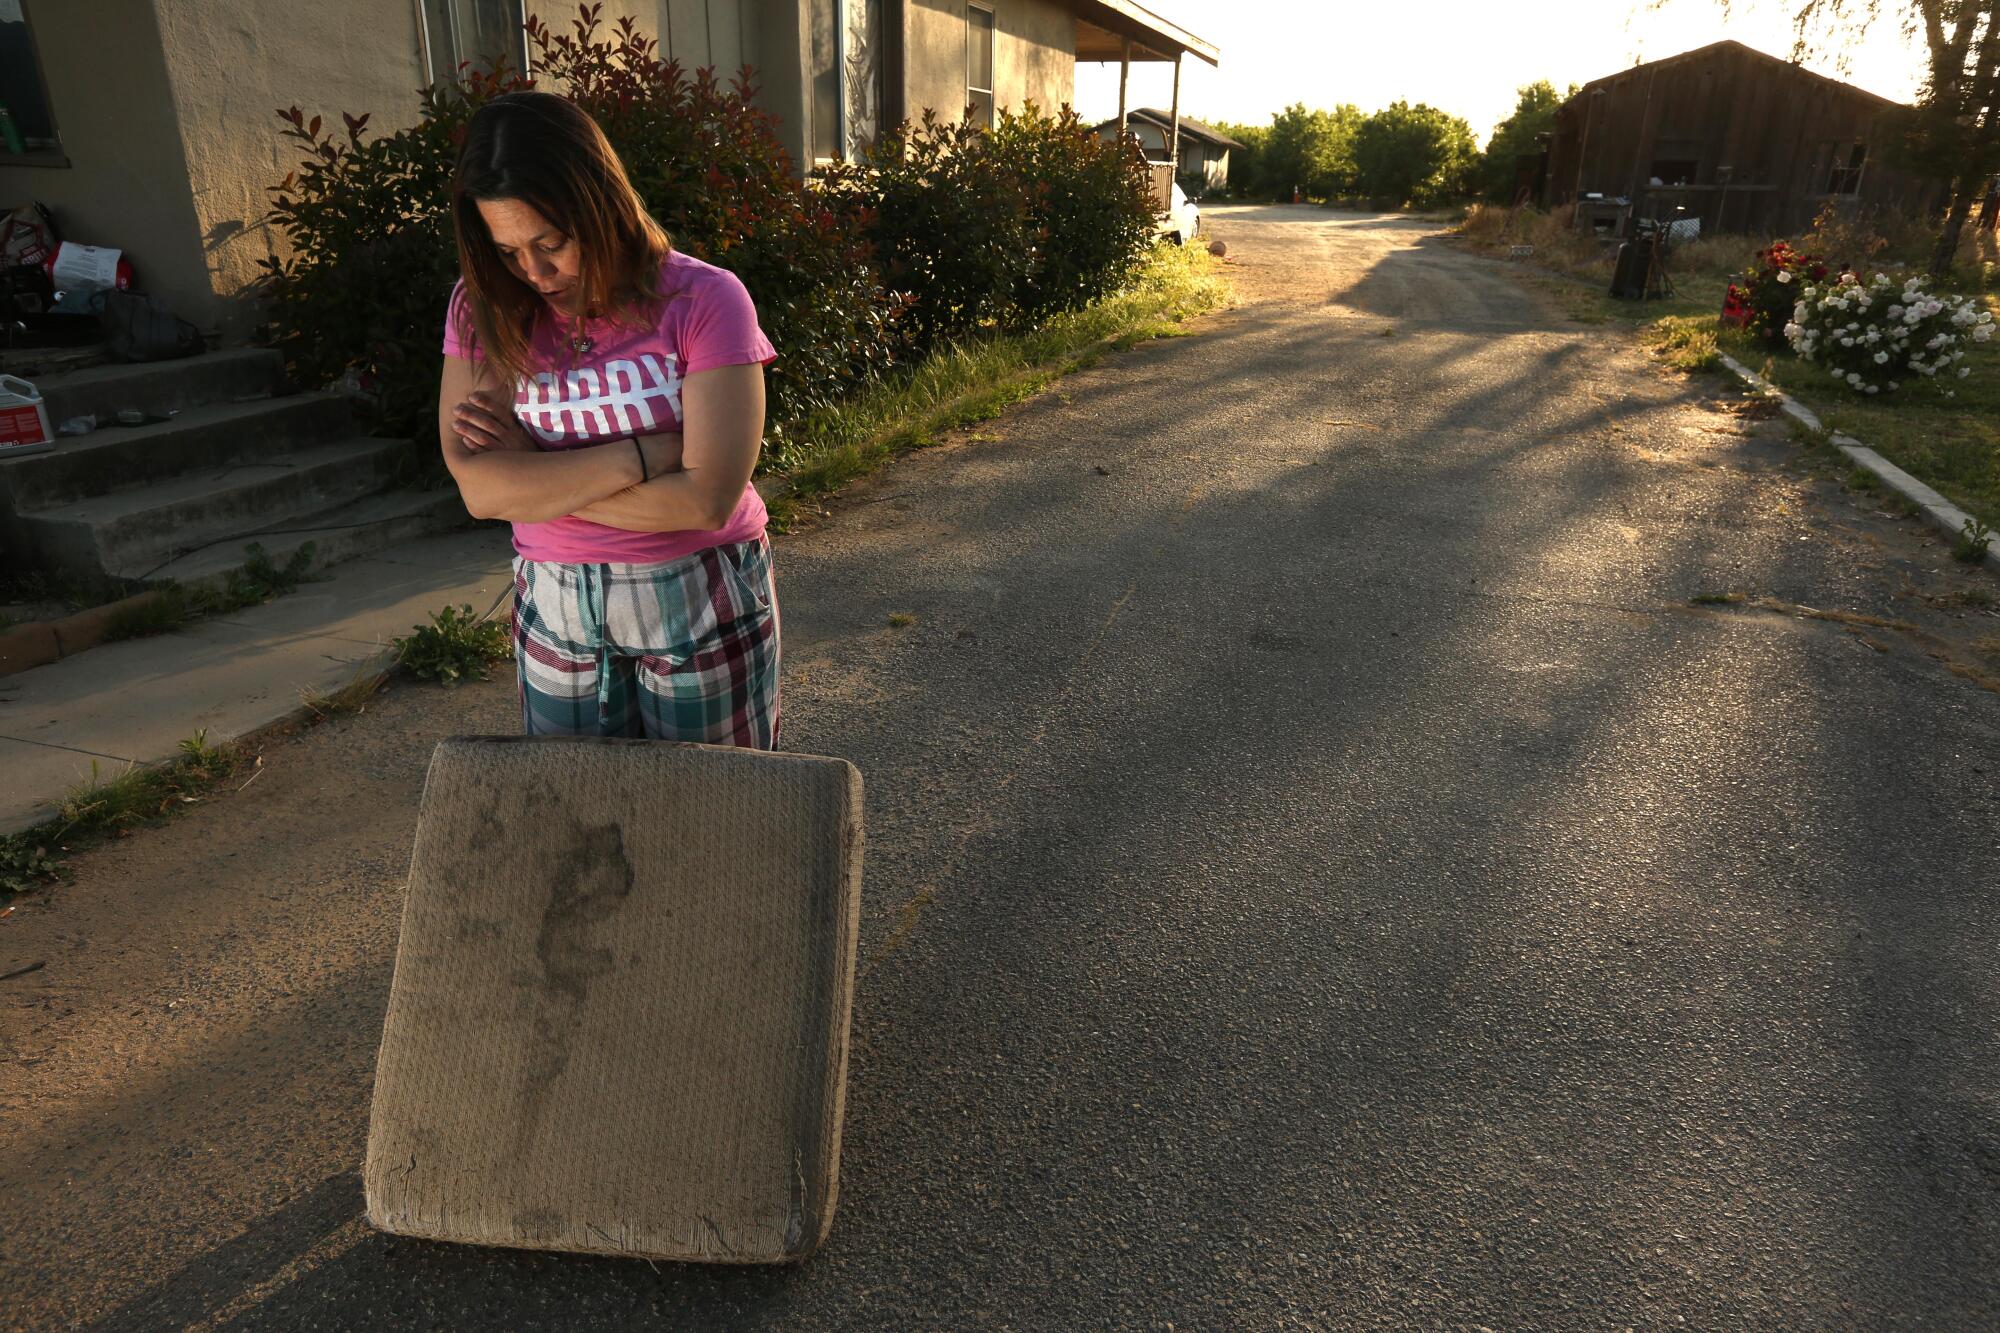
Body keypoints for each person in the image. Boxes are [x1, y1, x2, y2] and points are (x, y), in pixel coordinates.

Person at [438, 91, 781, 748]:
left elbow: (708, 499)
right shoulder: (482, 305)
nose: (533, 271)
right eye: (508, 251)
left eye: (552, 241)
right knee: (579, 829)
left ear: (602, 205)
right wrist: (645, 455)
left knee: (717, 825)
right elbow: (481, 490)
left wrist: (537, 479)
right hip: (554, 598)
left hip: (700, 588)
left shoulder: (705, 299)